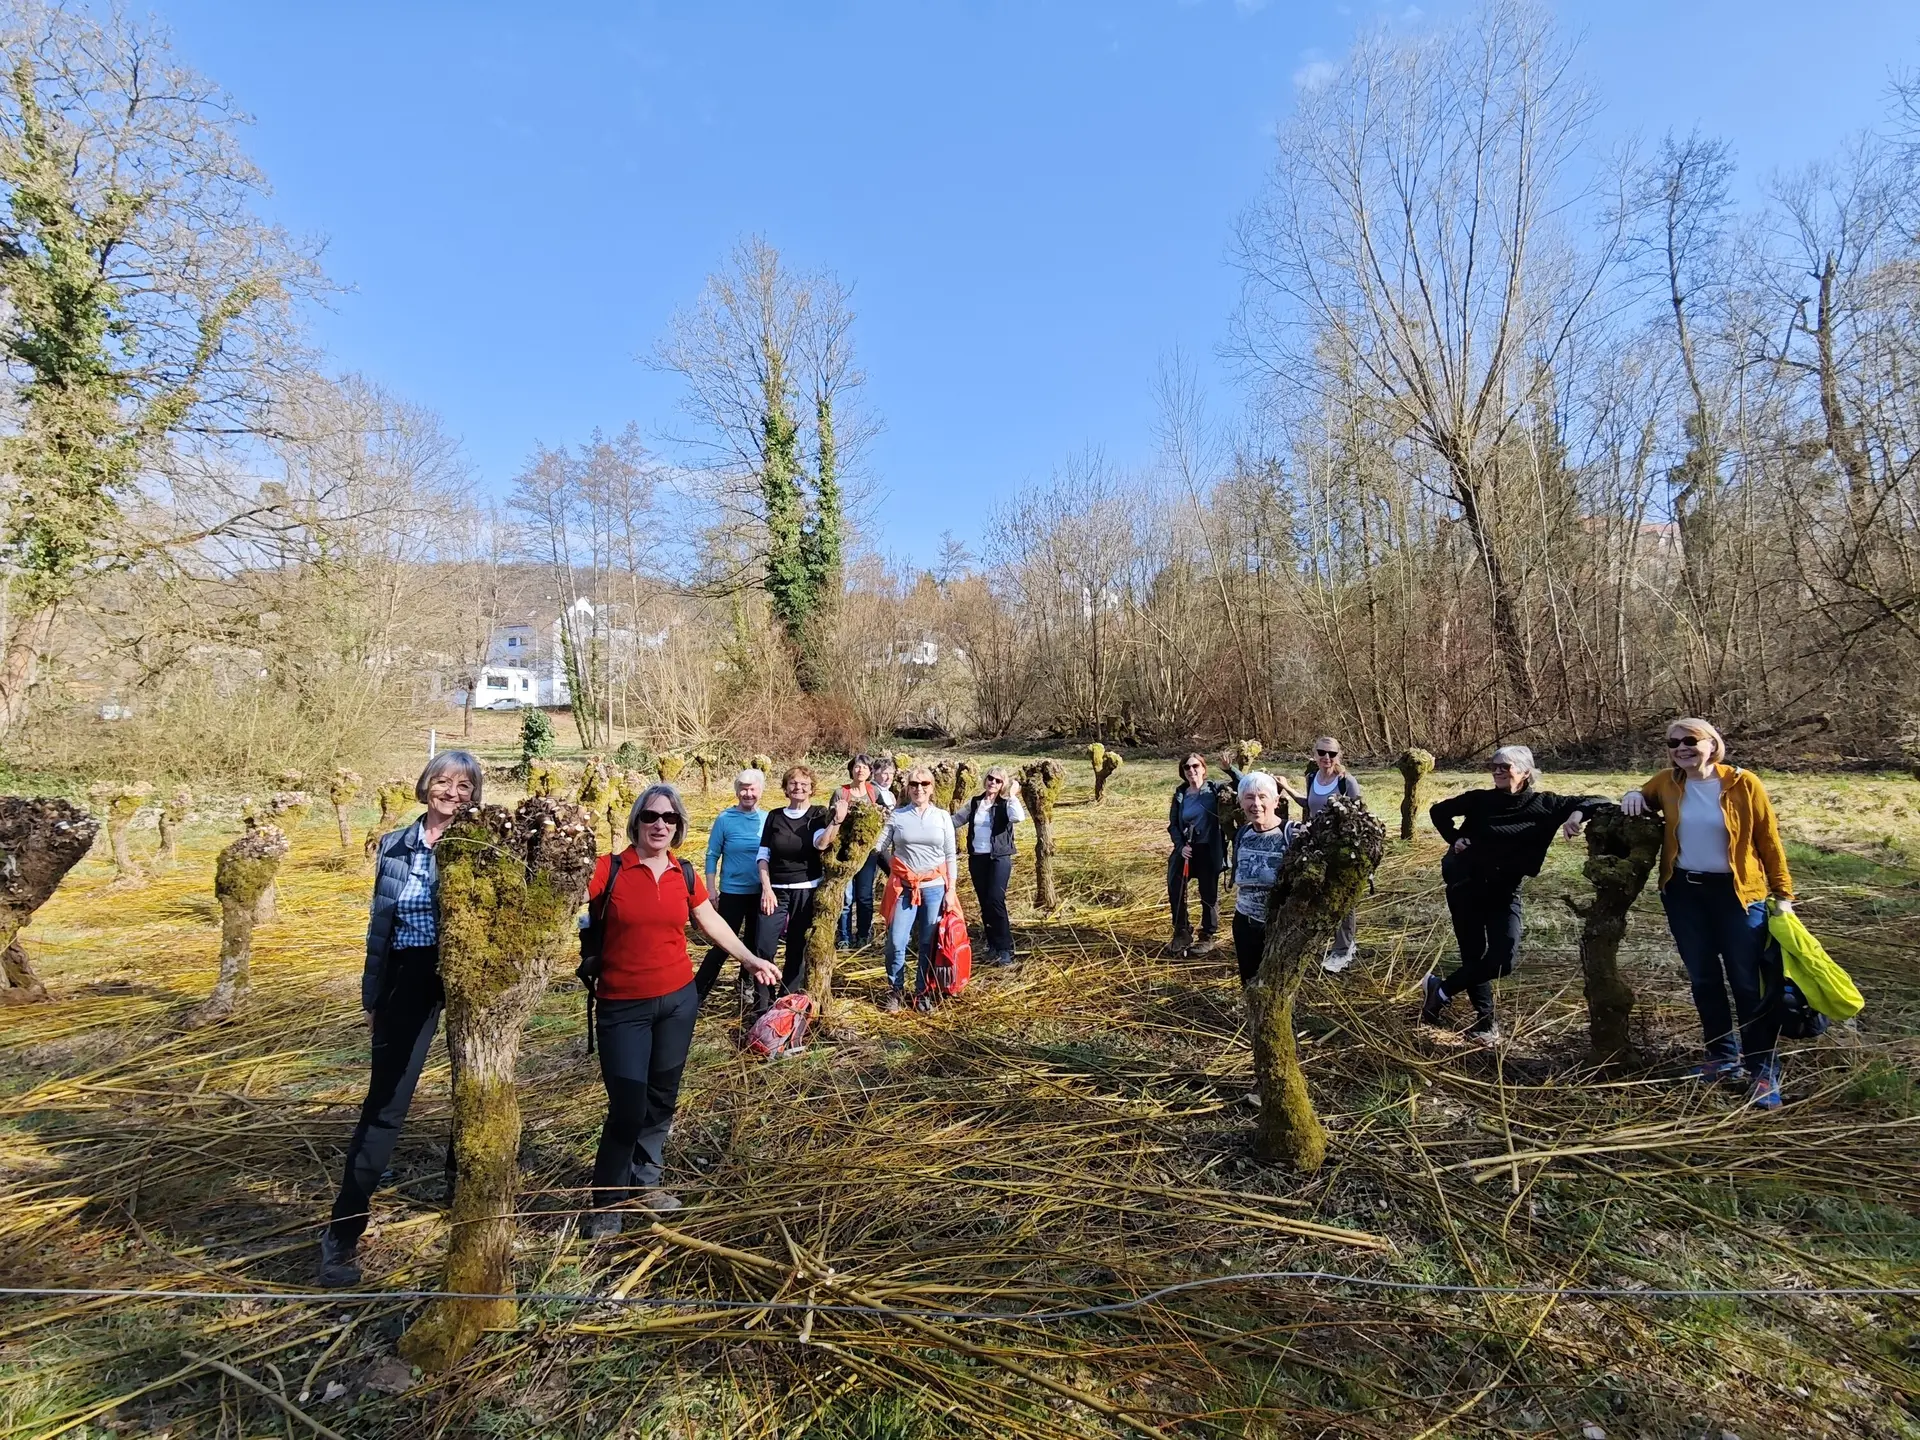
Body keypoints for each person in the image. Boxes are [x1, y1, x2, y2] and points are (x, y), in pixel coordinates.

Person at [581, 784, 781, 1238]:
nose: (660, 825)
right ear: (636, 821)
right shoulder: (607, 870)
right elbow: (557, 898)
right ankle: (608, 1200)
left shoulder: (683, 873)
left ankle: (646, 1182)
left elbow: (710, 921)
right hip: (621, 1005)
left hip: (677, 1001)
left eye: (669, 819)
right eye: (651, 816)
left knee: (661, 1097)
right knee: (628, 1105)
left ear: (679, 826)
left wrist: (748, 958)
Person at [319, 749, 484, 1288]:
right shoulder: (395, 846)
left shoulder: (484, 845)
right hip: (407, 976)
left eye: (464, 786)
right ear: (425, 786)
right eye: (443, 782)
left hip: (465, 972)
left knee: (476, 1089)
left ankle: (465, 1194)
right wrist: (373, 996)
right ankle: (342, 1234)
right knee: (387, 1101)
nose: (452, 794)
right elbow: (379, 929)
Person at [1621, 718, 1795, 1109]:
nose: (1681, 748)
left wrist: (1783, 894)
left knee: (1748, 984)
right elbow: (1642, 796)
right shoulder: (1667, 781)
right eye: (1673, 742)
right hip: (1684, 894)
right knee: (1703, 979)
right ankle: (1721, 1056)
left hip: (1739, 897)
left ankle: (1762, 1070)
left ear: (1711, 744)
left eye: (1690, 741)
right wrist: (1633, 793)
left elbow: (1768, 838)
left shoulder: (1742, 783)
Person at [1421, 746, 1602, 1043]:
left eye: (1504, 767)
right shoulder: (1480, 800)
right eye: (1493, 766)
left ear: (1525, 772)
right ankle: (1485, 1023)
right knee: (1473, 953)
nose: (1496, 772)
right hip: (1466, 882)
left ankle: (1440, 990)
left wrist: (1576, 815)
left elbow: (1599, 800)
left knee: (1503, 959)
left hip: (1506, 888)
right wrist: (1455, 840)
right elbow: (1438, 812)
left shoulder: (1547, 804)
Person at [756, 765, 845, 1001]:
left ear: (811, 789)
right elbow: (763, 856)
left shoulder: (817, 814)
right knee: (764, 947)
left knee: (797, 948)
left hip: (805, 890)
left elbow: (821, 844)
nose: (799, 788)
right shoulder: (774, 816)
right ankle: (762, 1003)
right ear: (785, 788)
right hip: (774, 891)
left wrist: (835, 822)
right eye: (793, 783)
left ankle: (787, 1003)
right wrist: (766, 888)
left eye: (804, 784)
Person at [875, 764, 959, 1012]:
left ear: (932, 787)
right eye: (913, 784)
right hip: (905, 889)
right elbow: (879, 846)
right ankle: (895, 990)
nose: (918, 789)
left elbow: (950, 856)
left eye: (924, 784)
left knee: (927, 942)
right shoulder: (898, 816)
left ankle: (923, 991)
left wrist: (951, 890)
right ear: (907, 788)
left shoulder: (942, 817)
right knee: (896, 941)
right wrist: (895, 868)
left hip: (934, 888)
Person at [695, 769, 773, 1005]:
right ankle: (696, 994)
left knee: (753, 943)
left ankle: (746, 985)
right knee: (722, 944)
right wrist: (710, 889)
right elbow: (712, 855)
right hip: (732, 891)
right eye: (743, 789)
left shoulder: (767, 819)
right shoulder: (725, 819)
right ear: (737, 791)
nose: (747, 793)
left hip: (759, 893)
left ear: (760, 791)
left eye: (752, 789)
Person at [1293, 737, 1365, 972]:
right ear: (1314, 754)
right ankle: (1329, 941)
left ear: (1339, 756)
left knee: (1341, 896)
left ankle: (1344, 948)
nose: (1327, 758)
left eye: (1332, 754)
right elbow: (1311, 805)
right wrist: (1286, 789)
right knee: (1320, 894)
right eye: (1322, 753)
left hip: (1340, 848)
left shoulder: (1346, 782)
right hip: (1316, 846)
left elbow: (1358, 816)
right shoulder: (1312, 778)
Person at [1229, 772, 1305, 985]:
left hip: (1278, 926)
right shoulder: (1243, 834)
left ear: (1275, 800)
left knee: (1276, 986)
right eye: (1249, 797)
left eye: (1262, 797)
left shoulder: (1293, 834)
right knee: (1250, 982)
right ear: (1241, 802)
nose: (1256, 804)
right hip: (1244, 922)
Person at [1165, 752, 1239, 957]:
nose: (1191, 771)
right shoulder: (1180, 795)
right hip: (1187, 850)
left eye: (1196, 766)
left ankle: (1207, 935)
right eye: (1187, 768)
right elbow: (1173, 826)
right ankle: (1182, 931)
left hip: (1208, 849)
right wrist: (1181, 847)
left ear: (1204, 769)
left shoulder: (1215, 789)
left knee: (1208, 894)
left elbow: (1244, 784)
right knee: (1176, 888)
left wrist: (1229, 769)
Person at [954, 765, 1025, 965]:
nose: (993, 782)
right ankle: (992, 945)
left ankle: (1005, 949)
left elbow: (1018, 817)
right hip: (977, 858)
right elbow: (957, 819)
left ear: (1003, 784)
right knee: (985, 903)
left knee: (995, 900)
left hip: (999, 858)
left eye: (998, 780)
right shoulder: (975, 802)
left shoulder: (1006, 804)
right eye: (990, 778)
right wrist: (935, 823)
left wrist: (1012, 795)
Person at [834, 755, 894, 948]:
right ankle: (843, 937)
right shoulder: (840, 792)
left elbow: (884, 819)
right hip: (844, 853)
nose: (860, 771)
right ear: (851, 770)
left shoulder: (874, 792)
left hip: (867, 853)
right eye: (857, 767)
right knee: (846, 897)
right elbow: (831, 820)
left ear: (870, 772)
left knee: (865, 896)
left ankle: (863, 935)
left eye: (864, 768)